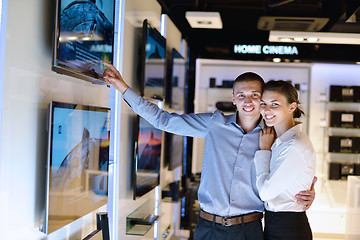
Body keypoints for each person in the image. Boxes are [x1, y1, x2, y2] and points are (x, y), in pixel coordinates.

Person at [102, 62, 316, 240]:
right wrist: (123, 89)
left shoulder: (274, 136)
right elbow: (163, 120)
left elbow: (297, 164)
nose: (247, 101)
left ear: (263, 99)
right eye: (241, 95)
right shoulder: (214, 124)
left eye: (254, 95)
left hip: (249, 229)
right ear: (233, 99)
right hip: (208, 227)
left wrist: (311, 189)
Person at [254, 80, 316, 240]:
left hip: (288, 228)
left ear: (292, 107)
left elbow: (266, 193)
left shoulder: (293, 145)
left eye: (274, 104)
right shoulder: (276, 138)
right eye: (263, 103)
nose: (266, 110)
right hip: (275, 223)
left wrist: (264, 151)